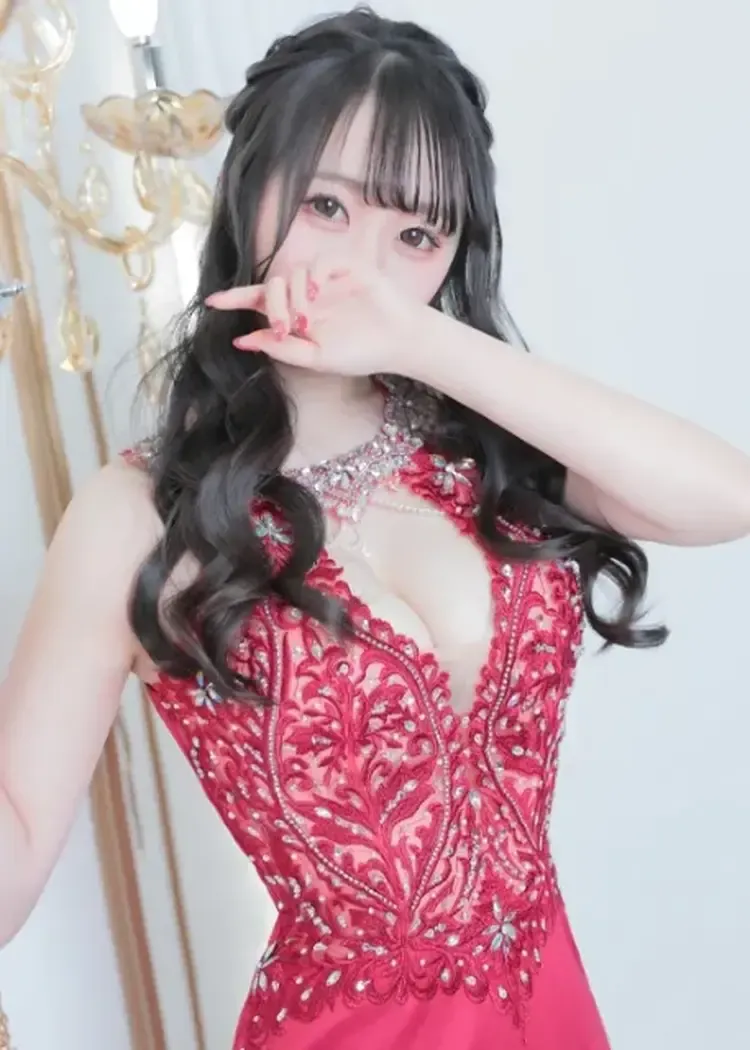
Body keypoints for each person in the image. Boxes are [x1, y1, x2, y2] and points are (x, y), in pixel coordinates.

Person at [1, 7, 749, 1049]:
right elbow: (19, 824)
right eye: (327, 205)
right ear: (251, 194)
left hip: (553, 1013)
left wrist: (422, 342)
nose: (362, 266)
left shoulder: (491, 448)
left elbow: (725, 497)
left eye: (416, 235)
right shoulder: (140, 512)